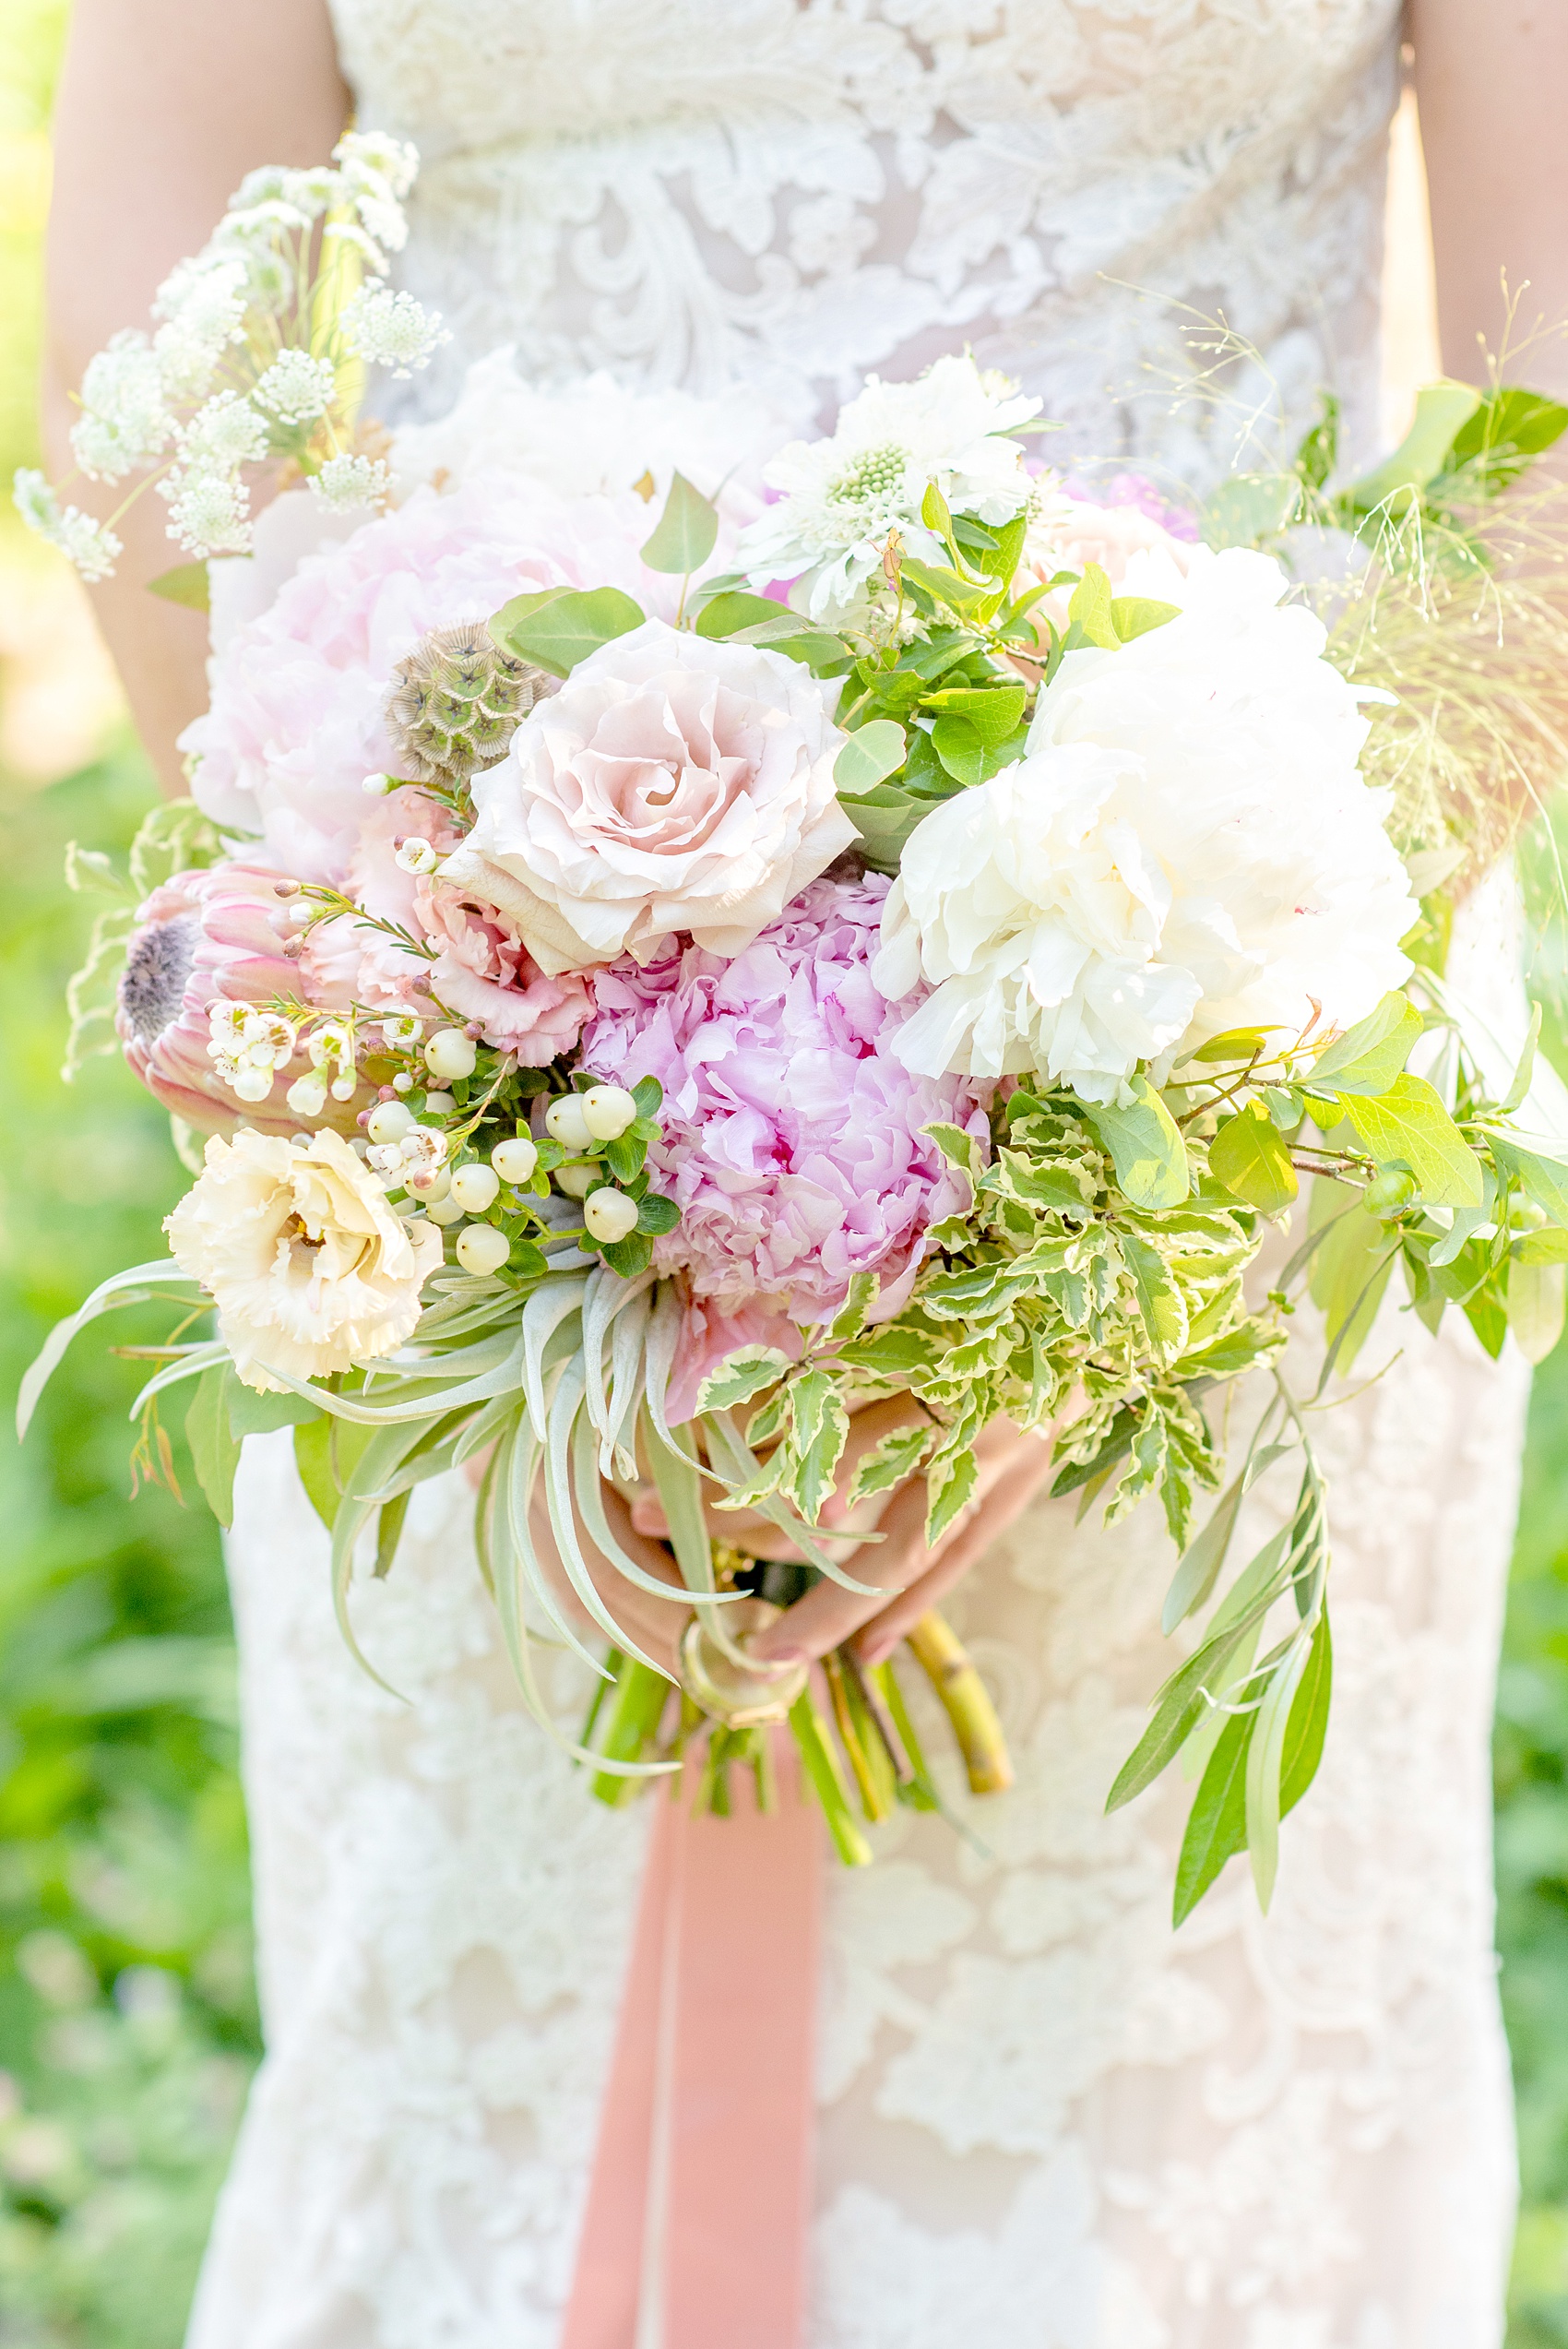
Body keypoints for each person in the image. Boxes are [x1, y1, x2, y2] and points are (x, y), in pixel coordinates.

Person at [42, 4, 1568, 2340]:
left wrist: (1094, 1240)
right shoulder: (444, 1075)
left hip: (1231, 1053)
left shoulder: (1202, 1114)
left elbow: (1541, 419)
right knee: (487, 2095)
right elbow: (156, 269)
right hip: (467, 1078)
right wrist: (421, 1049)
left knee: (1152, 2138)